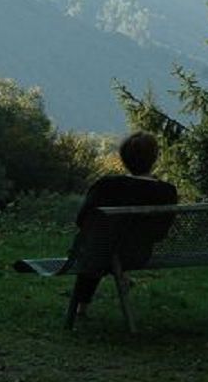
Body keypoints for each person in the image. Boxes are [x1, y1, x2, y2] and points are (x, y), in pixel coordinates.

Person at [69, 131, 178, 315]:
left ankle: (81, 307)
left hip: (99, 252)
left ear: (123, 158)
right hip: (139, 254)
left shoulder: (106, 186)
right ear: (154, 158)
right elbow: (161, 232)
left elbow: (83, 221)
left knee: (97, 245)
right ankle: (117, 276)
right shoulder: (167, 191)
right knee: (103, 247)